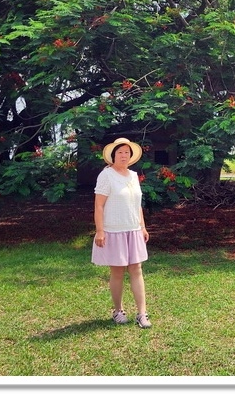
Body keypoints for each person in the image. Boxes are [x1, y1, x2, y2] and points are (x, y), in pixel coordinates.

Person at [91, 137, 152, 328]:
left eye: (127, 152)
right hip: (113, 231)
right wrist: (100, 231)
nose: (124, 155)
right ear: (113, 156)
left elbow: (137, 204)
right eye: (120, 152)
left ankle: (142, 314)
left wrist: (142, 226)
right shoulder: (106, 175)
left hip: (133, 229)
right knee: (117, 272)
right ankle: (118, 311)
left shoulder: (133, 176)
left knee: (137, 270)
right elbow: (99, 206)